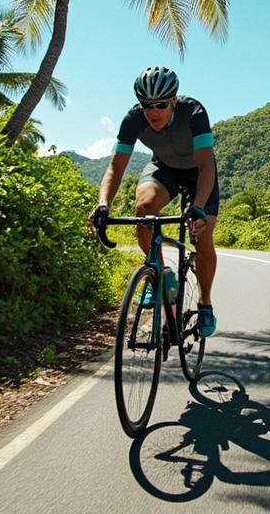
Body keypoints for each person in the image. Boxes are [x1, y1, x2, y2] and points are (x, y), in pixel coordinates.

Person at [91, 66, 221, 337]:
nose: (153, 112)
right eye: (146, 105)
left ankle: (205, 302)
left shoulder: (194, 112)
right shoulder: (133, 120)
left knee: (203, 233)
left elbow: (206, 166)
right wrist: (102, 203)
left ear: (173, 100)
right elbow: (115, 168)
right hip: (164, 168)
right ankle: (160, 276)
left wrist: (197, 207)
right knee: (143, 210)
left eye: (161, 104)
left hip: (199, 172)